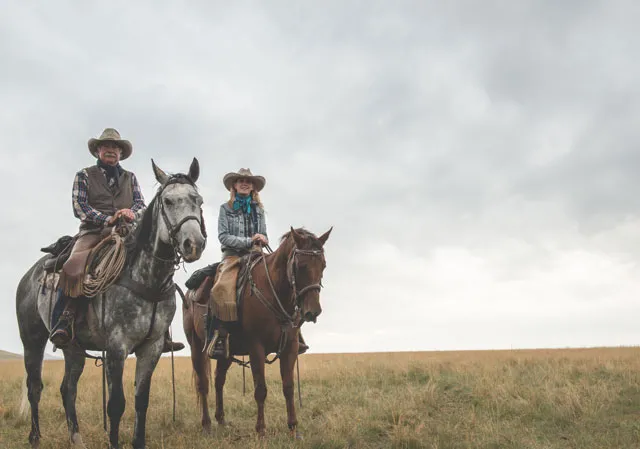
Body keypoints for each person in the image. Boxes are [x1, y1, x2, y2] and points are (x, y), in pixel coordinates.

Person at [49, 128, 184, 353]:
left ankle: (162, 332)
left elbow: (140, 204)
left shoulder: (130, 178)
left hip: (126, 231)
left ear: (120, 153)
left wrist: (131, 213)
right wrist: (107, 217)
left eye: (115, 147)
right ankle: (65, 319)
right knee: (73, 267)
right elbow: (80, 207)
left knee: (154, 264)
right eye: (106, 146)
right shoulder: (84, 175)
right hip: (93, 232)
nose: (111, 150)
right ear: (98, 150)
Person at [207, 168, 309, 359]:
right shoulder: (225, 209)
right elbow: (223, 237)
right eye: (241, 180)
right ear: (234, 186)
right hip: (232, 257)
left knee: (283, 280)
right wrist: (248, 241)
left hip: (256, 255)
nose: (245, 183)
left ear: (253, 186)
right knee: (221, 287)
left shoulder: (258, 210)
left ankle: (294, 332)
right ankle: (220, 335)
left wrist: (263, 238)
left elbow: (263, 234)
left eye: (248, 181)